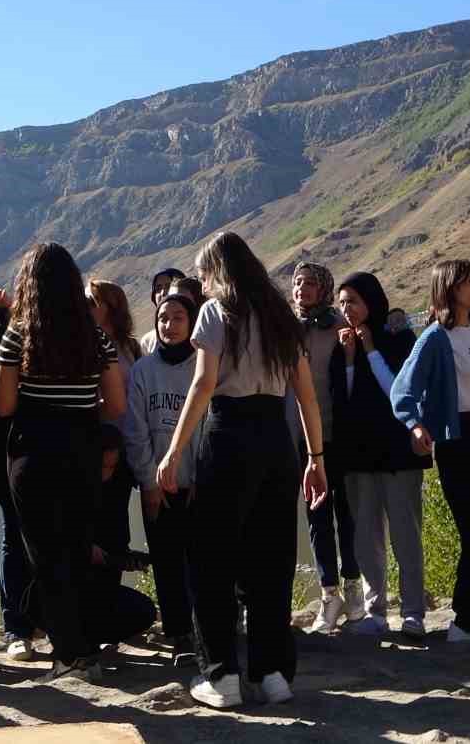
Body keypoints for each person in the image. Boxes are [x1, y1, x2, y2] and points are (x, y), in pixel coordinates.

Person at [156, 231, 328, 710]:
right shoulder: (280, 316)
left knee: (212, 559)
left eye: (204, 273)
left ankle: (223, 677)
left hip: (228, 436)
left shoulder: (216, 312)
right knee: (270, 559)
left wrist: (172, 451)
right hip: (277, 439)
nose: (203, 284)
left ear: (217, 270)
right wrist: (316, 460)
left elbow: (204, 384)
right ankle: (272, 674)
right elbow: (307, 396)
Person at [0, 242, 126, 683]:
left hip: (33, 453)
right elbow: (117, 403)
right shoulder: (97, 337)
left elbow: (4, 403)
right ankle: (82, 648)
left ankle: (70, 653)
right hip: (82, 453)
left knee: (45, 555)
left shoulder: (18, 334)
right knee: (74, 548)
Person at [391, 261, 470, 650]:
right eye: (467, 283)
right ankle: (468, 623)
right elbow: (403, 390)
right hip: (457, 440)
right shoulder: (433, 338)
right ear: (448, 288)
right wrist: (415, 424)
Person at [331, 272, 427, 639]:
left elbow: (398, 393)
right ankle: (376, 611)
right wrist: (352, 357)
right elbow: (347, 396)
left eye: (352, 301)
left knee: (406, 535)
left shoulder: (399, 337)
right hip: (358, 453)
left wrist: (370, 349)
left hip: (397, 454)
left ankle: (413, 612)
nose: (346, 310)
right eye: (341, 303)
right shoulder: (344, 345)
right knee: (366, 538)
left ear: (371, 300)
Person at [120, 288, 202, 652]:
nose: (169, 325)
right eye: (163, 319)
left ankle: (208, 630)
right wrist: (149, 481)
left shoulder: (204, 365)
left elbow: (208, 425)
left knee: (201, 561)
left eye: (178, 318)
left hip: (197, 484)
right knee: (166, 561)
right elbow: (135, 429)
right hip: (157, 485)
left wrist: (201, 477)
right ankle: (178, 634)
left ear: (193, 322)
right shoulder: (142, 370)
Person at [285, 261, 364, 633]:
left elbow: (354, 376)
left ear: (325, 289)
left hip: (338, 433)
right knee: (317, 517)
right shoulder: (283, 329)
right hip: (299, 437)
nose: (302, 288)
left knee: (347, 514)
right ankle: (329, 594)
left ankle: (354, 589)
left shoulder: (339, 328)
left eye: (311, 283)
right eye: (298, 282)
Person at [89, 425, 160, 648]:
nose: (107, 472)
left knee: (144, 611)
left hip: (108, 568)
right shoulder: (75, 483)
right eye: (103, 465)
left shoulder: (121, 479)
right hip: (74, 581)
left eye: (112, 465)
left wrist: (126, 559)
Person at [89, 278, 143, 376]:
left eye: (93, 302)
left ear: (112, 305)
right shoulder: (86, 346)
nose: (87, 307)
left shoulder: (131, 346)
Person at [139, 268, 187, 354]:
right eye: (158, 288)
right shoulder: (148, 342)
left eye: (169, 286)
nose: (163, 292)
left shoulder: (200, 335)